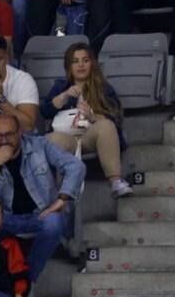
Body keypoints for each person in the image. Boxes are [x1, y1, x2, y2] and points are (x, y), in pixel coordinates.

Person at [0, 110, 84, 282]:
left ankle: (26, 278)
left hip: (41, 214)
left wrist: (62, 198)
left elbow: (75, 166)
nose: (4, 141)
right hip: (7, 218)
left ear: (19, 132)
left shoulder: (40, 145)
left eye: (9, 135)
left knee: (54, 222)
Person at [43, 41, 131, 199]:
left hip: (89, 135)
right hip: (66, 136)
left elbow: (116, 117)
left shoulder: (103, 88)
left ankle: (116, 182)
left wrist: (92, 116)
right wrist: (65, 96)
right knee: (53, 139)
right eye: (75, 61)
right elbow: (45, 111)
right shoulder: (60, 86)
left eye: (85, 60)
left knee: (106, 125)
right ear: (69, 66)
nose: (81, 65)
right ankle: (63, 190)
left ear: (92, 63)